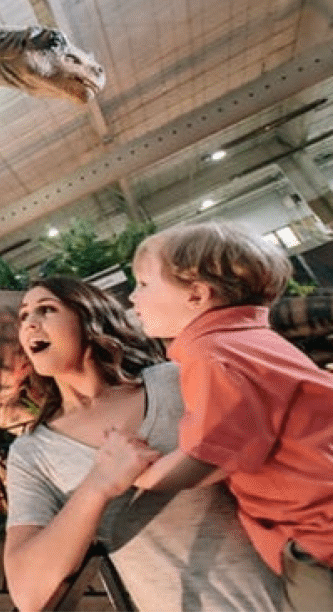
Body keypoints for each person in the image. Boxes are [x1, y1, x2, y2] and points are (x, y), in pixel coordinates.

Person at [4, 276, 281, 612]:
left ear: (89, 317)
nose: (30, 323)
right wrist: (97, 486)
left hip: (291, 592)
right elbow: (27, 594)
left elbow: (272, 433)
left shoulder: (175, 380)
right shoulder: (32, 453)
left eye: (46, 309)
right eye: (23, 317)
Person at [128, 220, 333, 610]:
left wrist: (138, 473)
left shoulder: (211, 356)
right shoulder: (256, 339)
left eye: (142, 283)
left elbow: (210, 459)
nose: (133, 299)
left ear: (197, 294)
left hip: (318, 539)